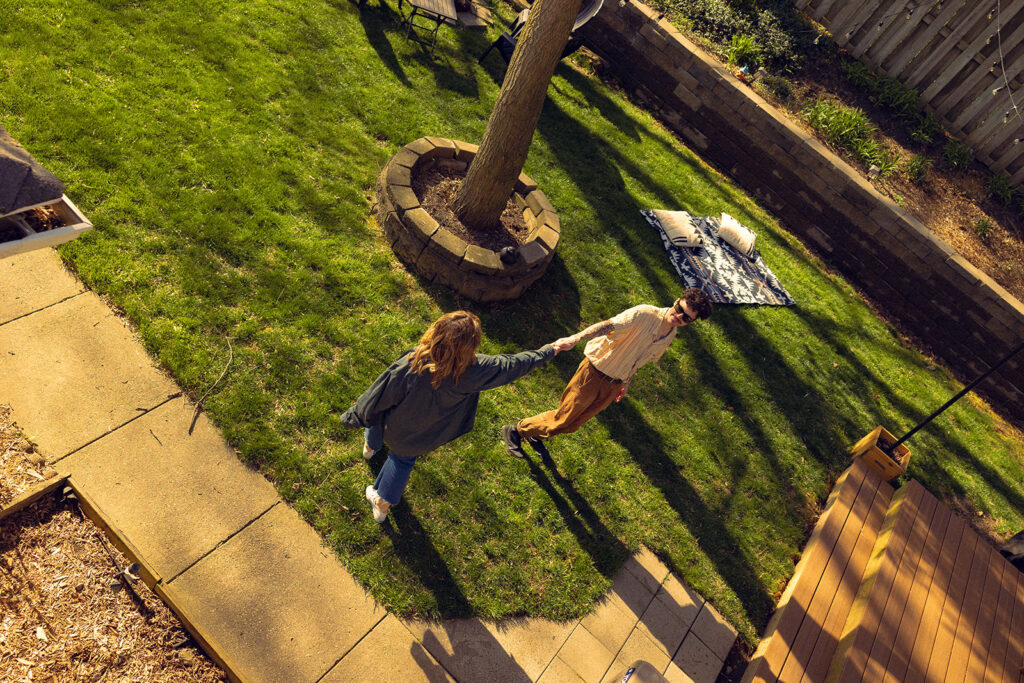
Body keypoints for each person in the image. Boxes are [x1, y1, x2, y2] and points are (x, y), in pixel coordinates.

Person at [340, 310, 559, 523]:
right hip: (424, 432)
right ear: (471, 346)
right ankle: (381, 505)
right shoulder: (476, 371)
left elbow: (381, 395)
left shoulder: (414, 362)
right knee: (402, 460)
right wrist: (549, 350)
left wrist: (355, 415)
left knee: (377, 417)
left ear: (437, 332)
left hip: (394, 421)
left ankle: (371, 448)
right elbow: (513, 364)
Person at [503, 289, 712, 458]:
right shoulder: (645, 314)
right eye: (679, 309)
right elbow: (609, 326)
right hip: (593, 373)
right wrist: (575, 339)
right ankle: (517, 430)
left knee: (574, 424)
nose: (679, 317)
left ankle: (536, 433)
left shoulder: (669, 336)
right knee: (563, 419)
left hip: (613, 384)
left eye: (686, 318)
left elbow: (638, 360)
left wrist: (625, 383)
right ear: (676, 300)